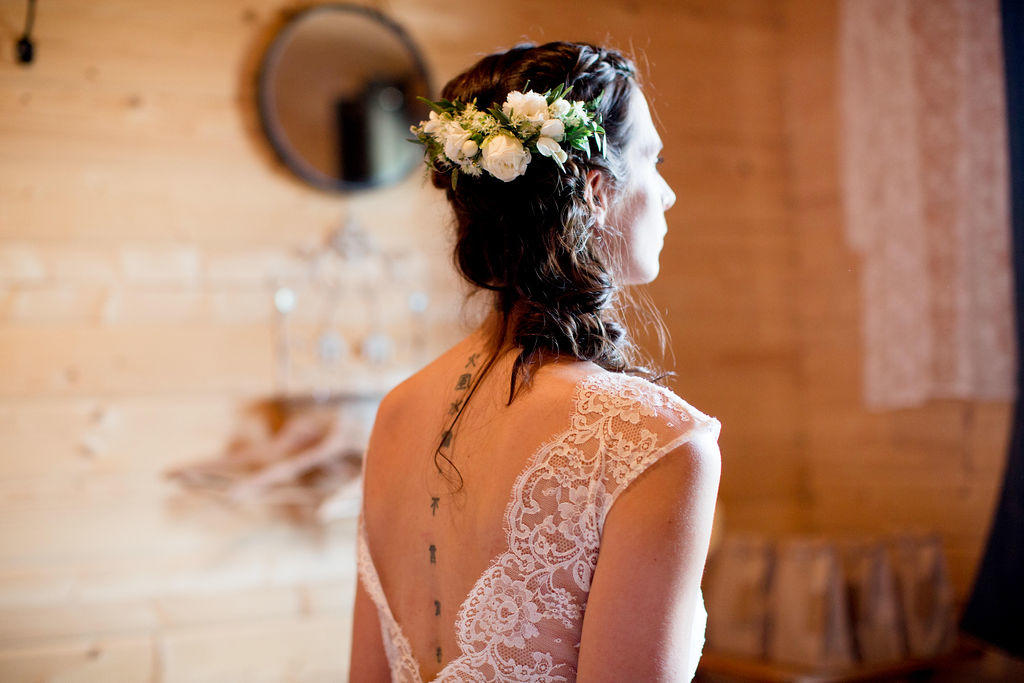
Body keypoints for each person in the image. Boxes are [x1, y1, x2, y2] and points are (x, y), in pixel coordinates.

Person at [348, 40, 722, 682]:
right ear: (596, 190)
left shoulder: (397, 410)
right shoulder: (655, 442)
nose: (668, 195)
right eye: (653, 160)